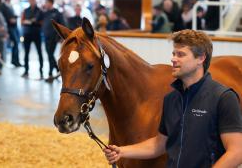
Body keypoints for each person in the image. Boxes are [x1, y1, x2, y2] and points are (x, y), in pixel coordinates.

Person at [103, 29, 242, 167]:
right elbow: (159, 144)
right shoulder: (171, 99)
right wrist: (122, 151)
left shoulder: (223, 98)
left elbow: (237, 151)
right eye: (174, 54)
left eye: (180, 55)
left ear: (201, 58)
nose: (173, 59)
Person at [42, 0, 65, 81]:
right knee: (49, 54)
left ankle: (50, 73)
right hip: (46, 36)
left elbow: (62, 25)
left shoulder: (57, 13)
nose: (45, 4)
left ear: (51, 3)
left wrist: (60, 37)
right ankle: (57, 69)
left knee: (50, 54)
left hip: (53, 37)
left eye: (46, 3)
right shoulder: (45, 12)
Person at [21, 0, 44, 78]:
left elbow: (42, 22)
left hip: (37, 34)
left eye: (33, 0)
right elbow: (22, 21)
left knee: (39, 52)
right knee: (26, 53)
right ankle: (26, 70)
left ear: (35, 0)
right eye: (30, 0)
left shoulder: (40, 11)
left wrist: (34, 22)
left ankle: (41, 71)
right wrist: (30, 21)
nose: (32, 2)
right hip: (27, 34)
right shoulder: (25, 10)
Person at [0, 0, 22, 67]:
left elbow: (11, 15)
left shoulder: (9, 5)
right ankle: (14, 61)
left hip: (14, 26)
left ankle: (15, 60)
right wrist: (9, 20)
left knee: (17, 43)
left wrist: (15, 17)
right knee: (14, 42)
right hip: (9, 27)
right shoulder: (2, 6)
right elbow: (1, 17)